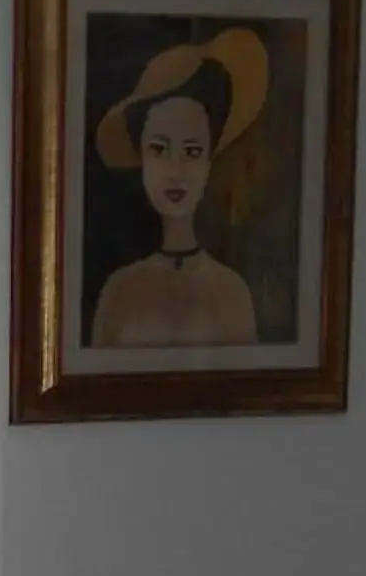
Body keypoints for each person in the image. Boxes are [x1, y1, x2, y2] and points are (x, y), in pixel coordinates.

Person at [86, 27, 269, 349]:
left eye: (192, 151)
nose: (175, 170)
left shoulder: (232, 292)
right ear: (141, 156)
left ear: (209, 162)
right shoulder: (119, 291)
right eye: (159, 149)